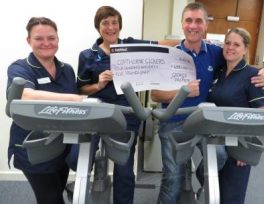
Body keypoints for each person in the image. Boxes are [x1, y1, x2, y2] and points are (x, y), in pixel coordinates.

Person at [150, 2, 264, 204]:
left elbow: (239, 61)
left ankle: (197, 177)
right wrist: (182, 92)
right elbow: (155, 95)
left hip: (204, 124)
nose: (193, 25)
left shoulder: (216, 53)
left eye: (198, 21)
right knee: (173, 181)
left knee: (220, 158)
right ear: (182, 24)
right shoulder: (170, 56)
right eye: (188, 20)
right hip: (173, 124)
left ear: (206, 25)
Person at [66, 6, 179, 204]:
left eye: (114, 22)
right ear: (98, 27)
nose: (111, 27)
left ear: (120, 25)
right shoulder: (88, 55)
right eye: (105, 23)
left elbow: (162, 46)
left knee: (124, 169)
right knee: (78, 160)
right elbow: (81, 89)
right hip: (96, 116)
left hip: (126, 115)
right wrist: (98, 84)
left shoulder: (131, 46)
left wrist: (190, 42)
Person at [6, 17, 84, 204]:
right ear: (29, 40)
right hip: (34, 146)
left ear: (58, 39)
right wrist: (76, 99)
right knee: (49, 198)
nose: (46, 43)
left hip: (62, 144)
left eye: (51, 38)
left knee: (57, 190)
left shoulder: (67, 70)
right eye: (39, 38)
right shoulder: (19, 68)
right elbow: (26, 95)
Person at [211, 27, 264, 204]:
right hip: (216, 140)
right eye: (227, 43)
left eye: (236, 44)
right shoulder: (219, 72)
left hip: (239, 144)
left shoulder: (253, 75)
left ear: (245, 49)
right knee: (214, 190)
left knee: (231, 196)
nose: (230, 47)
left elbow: (261, 114)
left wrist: (246, 147)